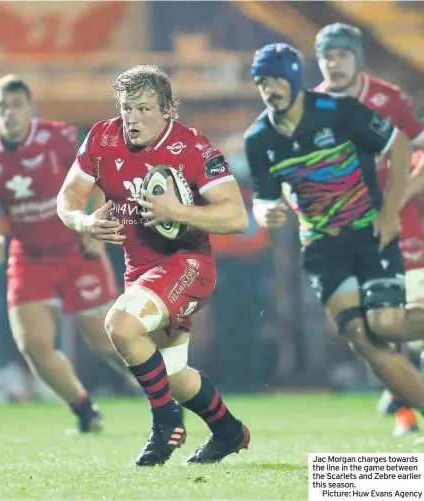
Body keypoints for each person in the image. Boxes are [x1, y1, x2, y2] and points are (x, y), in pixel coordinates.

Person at [57, 64, 250, 466]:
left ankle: (164, 425)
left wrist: (178, 210)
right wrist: (86, 222)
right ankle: (229, 431)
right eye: (127, 108)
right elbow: (67, 199)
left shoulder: (194, 148)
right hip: (140, 271)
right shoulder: (101, 137)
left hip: (187, 264)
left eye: (143, 109)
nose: (132, 119)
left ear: (168, 110)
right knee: (174, 377)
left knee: (119, 325)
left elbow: (236, 218)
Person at [244, 43, 424, 420]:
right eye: (262, 82)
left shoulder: (336, 110)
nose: (269, 88)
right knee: (364, 339)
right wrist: (266, 214)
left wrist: (390, 211)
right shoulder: (258, 138)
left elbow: (400, 144)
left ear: (293, 79)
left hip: (368, 235)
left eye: (277, 79)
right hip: (322, 249)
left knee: (385, 323)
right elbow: (263, 199)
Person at [0, 75, 132, 433]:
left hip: (75, 249)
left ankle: (160, 389)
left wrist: (95, 224)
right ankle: (86, 412)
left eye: (16, 105)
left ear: (29, 108)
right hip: (28, 256)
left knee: (105, 341)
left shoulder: (60, 137)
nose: (9, 113)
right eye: (2, 106)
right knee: (33, 344)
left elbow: (100, 171)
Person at [314, 23, 424, 435]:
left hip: (397, 222)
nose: (333, 62)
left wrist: (397, 200)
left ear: (356, 57)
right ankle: (405, 408)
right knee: (368, 324)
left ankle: (403, 402)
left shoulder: (387, 98)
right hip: (346, 231)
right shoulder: (312, 104)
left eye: (341, 54)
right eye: (326, 55)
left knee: (403, 313)